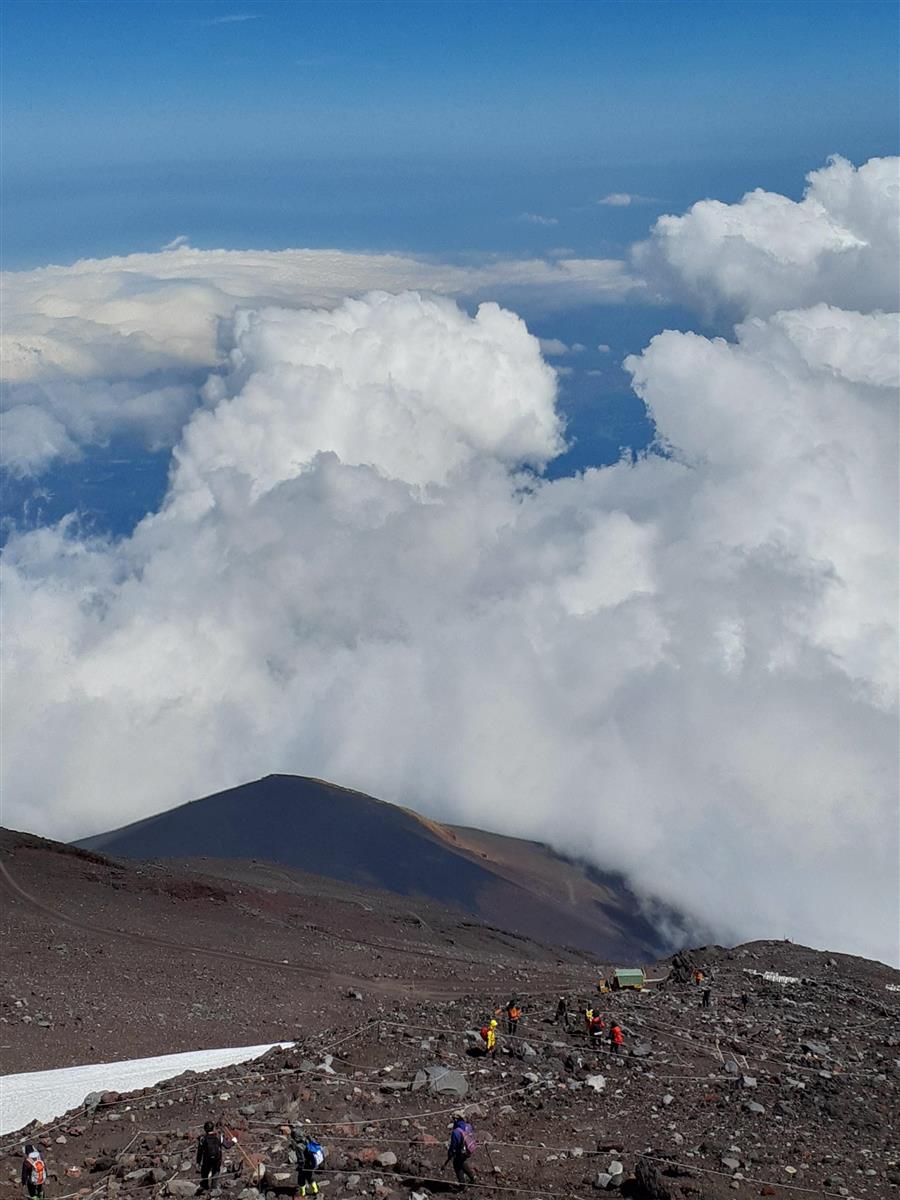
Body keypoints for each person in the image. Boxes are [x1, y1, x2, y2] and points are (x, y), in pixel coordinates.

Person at [291, 1126, 324, 1197]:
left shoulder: (298, 1146)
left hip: (305, 1164)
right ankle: (315, 1190)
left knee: (301, 1178)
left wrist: (300, 1167)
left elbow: (301, 1159)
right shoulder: (307, 1140)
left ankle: (303, 1193)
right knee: (309, 1176)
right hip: (311, 1163)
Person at [444, 1117, 476, 1188]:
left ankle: (462, 1185)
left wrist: (450, 1154)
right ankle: (472, 1178)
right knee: (462, 1163)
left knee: (457, 1165)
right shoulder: (468, 1126)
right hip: (470, 1148)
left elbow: (453, 1146)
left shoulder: (455, 1132)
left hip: (461, 1152)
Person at [197, 1122, 226, 1192]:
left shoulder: (202, 1139)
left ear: (205, 1129)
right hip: (217, 1159)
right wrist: (234, 1141)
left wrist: (198, 1162)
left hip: (207, 1159)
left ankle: (205, 1186)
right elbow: (227, 1145)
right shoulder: (219, 1137)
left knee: (204, 1172)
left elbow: (200, 1152)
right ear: (213, 1128)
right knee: (216, 1171)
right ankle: (214, 1188)